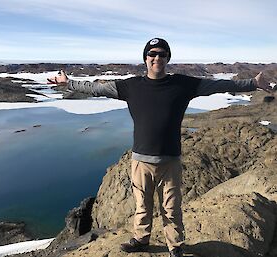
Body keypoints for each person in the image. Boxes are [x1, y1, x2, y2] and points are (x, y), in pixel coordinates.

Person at [48, 38, 272, 257]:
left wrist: (252, 83)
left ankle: (175, 246)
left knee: (172, 209)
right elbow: (97, 89)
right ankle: (141, 240)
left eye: (162, 54)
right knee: (142, 207)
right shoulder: (131, 86)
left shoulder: (183, 85)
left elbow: (220, 85)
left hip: (170, 161)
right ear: (145, 58)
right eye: (152, 54)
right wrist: (69, 83)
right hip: (141, 161)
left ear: (168, 58)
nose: (157, 58)